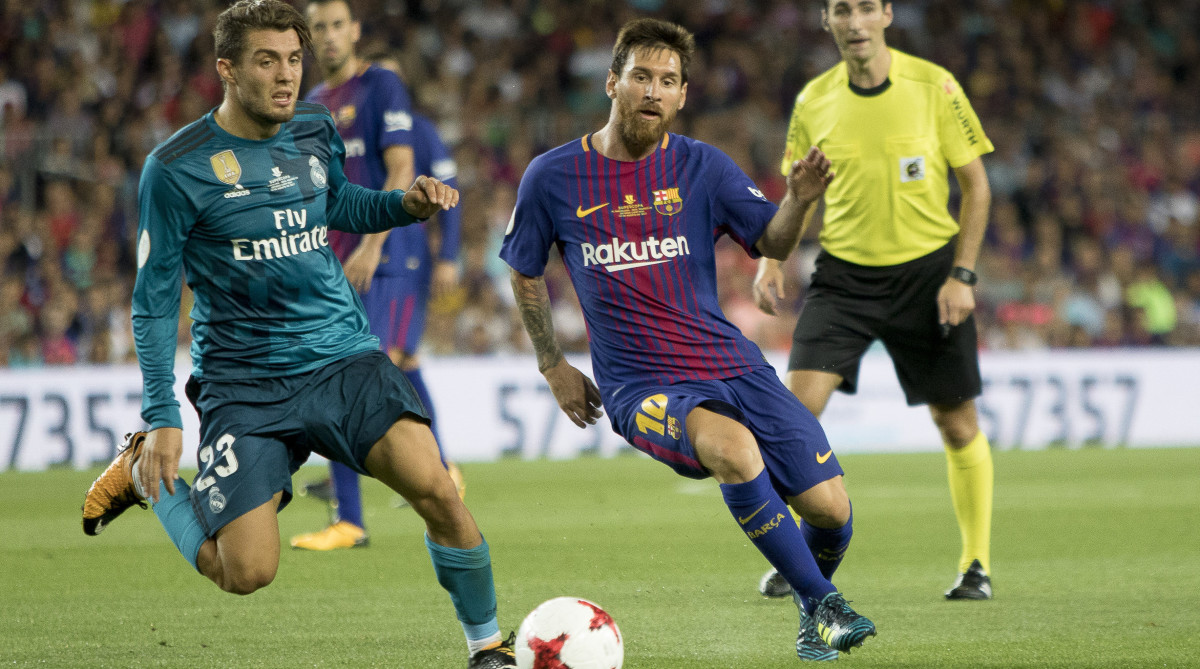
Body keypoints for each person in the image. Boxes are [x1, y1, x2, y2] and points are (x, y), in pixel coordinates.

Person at [80, 3, 515, 666]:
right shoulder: (175, 168)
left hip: (341, 356)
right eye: (267, 61)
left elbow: (335, 201)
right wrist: (161, 414)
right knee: (245, 570)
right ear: (227, 69)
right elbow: (154, 301)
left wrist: (401, 206)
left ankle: (487, 648)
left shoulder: (314, 126)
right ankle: (147, 477)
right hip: (244, 383)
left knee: (438, 490)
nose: (287, 75)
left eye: (293, 59)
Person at [500, 18, 875, 661]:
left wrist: (800, 200)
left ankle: (809, 607)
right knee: (733, 449)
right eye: (641, 76)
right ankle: (824, 606)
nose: (653, 90)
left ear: (681, 96)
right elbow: (524, 268)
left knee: (832, 510)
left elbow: (772, 240)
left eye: (668, 81)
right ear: (612, 83)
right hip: (641, 384)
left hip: (732, 365)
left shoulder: (703, 166)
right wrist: (551, 364)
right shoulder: (552, 176)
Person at [753, 0, 995, 602]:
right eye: (842, 10)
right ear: (826, 20)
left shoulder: (934, 86)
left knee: (956, 423)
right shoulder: (814, 101)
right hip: (845, 279)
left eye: (866, 8)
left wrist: (962, 275)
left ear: (886, 14)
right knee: (793, 417)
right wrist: (772, 259)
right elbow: (799, 193)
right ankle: (799, 558)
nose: (855, 21)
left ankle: (975, 565)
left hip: (928, 274)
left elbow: (976, 185)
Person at [289, 0, 464, 552]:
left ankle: (360, 513)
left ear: (355, 30)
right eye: (319, 28)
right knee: (369, 373)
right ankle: (431, 477)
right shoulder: (311, 105)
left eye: (338, 25)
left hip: (386, 261)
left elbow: (402, 168)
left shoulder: (382, 86)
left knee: (361, 376)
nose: (329, 36)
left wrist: (374, 245)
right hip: (335, 264)